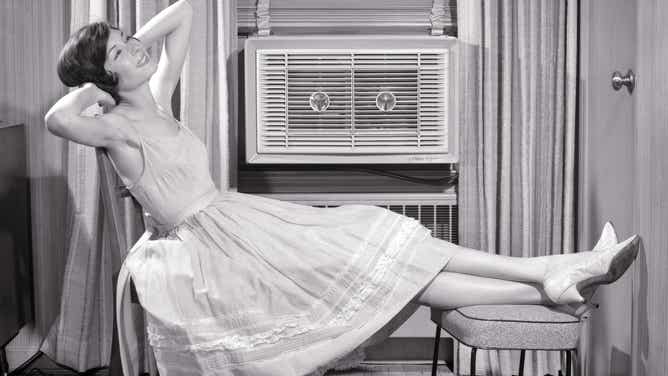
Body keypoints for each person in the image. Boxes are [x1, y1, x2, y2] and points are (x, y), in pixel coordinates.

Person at [44, 1, 640, 375]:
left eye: (130, 40)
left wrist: (123, 47)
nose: (139, 49)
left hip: (236, 220)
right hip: (207, 250)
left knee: (393, 247)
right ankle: (553, 275)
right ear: (104, 78)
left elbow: (183, 12)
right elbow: (57, 118)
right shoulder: (116, 126)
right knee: (394, 259)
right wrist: (99, 77)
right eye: (122, 53)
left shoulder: (158, 95)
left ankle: (552, 277)